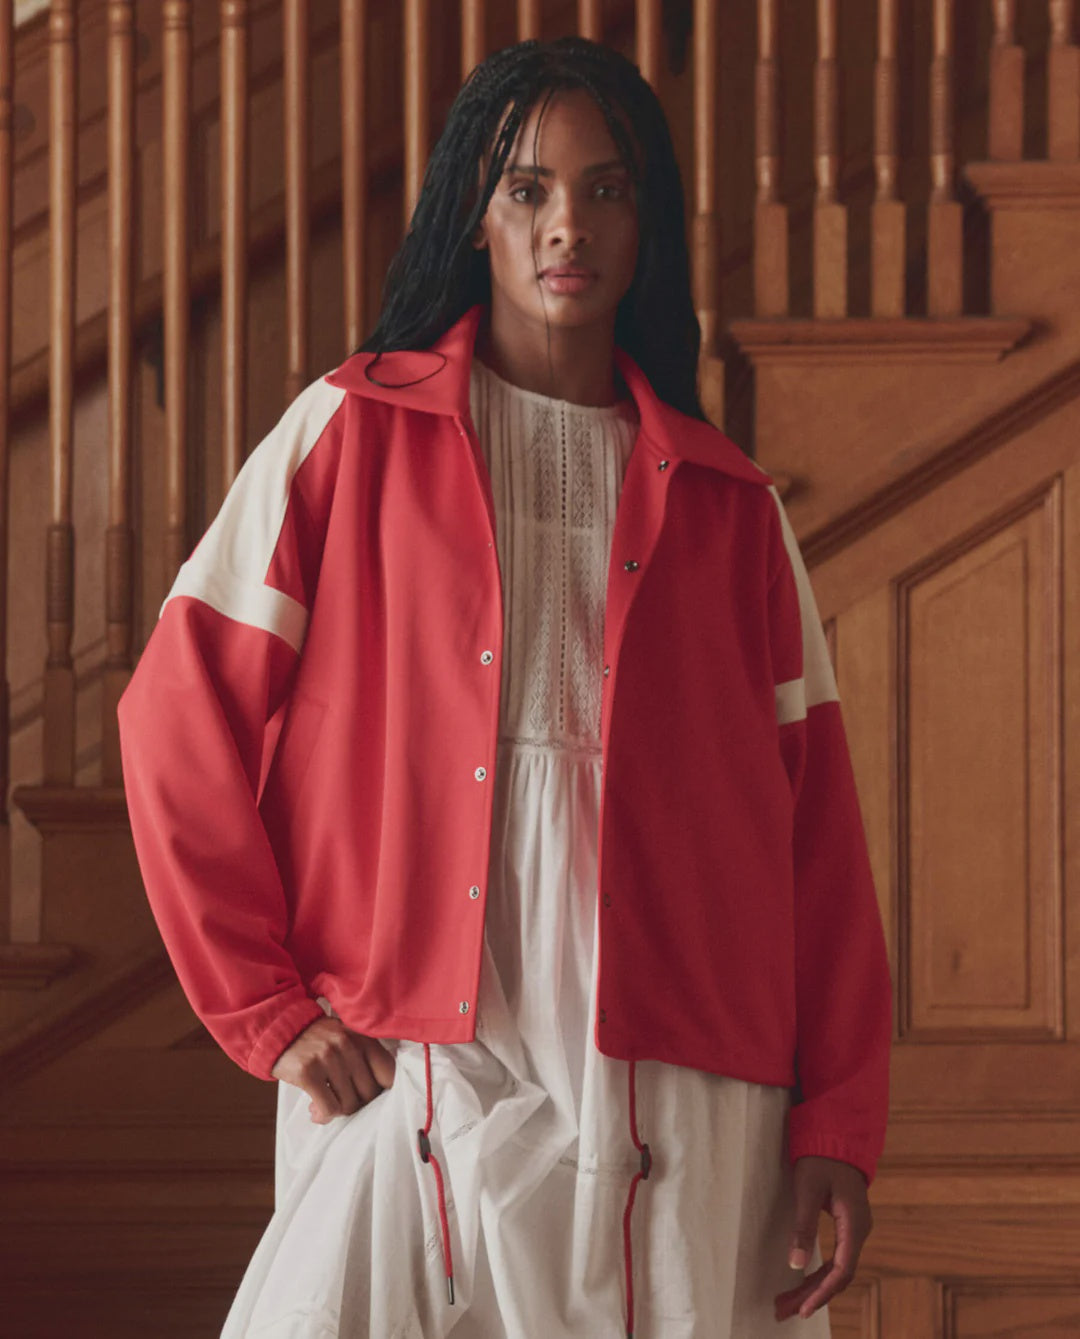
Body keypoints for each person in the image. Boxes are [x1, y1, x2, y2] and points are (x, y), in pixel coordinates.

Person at [117, 35, 892, 1339]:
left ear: (649, 221)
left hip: (689, 1077)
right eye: (527, 188)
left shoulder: (734, 510)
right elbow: (173, 717)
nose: (565, 224)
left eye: (605, 188)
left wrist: (838, 1119)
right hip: (418, 1048)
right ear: (473, 213)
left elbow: (816, 838)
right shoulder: (344, 435)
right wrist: (267, 1012)